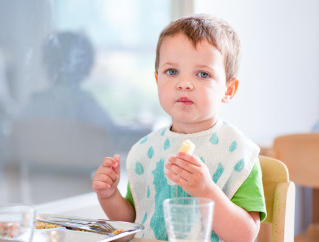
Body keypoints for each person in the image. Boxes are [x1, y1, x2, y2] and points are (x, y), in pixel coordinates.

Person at [92, 14, 266, 241]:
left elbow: (245, 236)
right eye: (172, 72)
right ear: (157, 81)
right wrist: (109, 196)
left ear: (228, 90)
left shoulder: (238, 153)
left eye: (203, 74)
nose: (184, 83)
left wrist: (206, 191)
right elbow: (134, 225)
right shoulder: (145, 151)